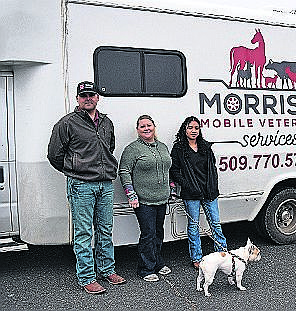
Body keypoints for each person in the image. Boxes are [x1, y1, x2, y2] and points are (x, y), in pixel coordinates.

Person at [47, 81, 126, 294]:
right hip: (81, 185)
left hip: (105, 184)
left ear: (97, 98)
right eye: (84, 96)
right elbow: (54, 155)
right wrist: (75, 170)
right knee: (83, 233)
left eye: (91, 95)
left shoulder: (106, 122)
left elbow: (109, 147)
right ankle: (87, 277)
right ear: (77, 99)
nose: (88, 98)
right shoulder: (67, 124)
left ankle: (107, 270)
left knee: (105, 230)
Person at [118, 115, 172, 282]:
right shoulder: (132, 149)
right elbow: (124, 171)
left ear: (154, 127)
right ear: (138, 130)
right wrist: (131, 193)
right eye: (142, 126)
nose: (146, 128)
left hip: (162, 198)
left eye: (149, 125)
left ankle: (157, 263)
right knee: (148, 233)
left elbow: (166, 168)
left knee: (158, 232)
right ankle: (145, 269)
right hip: (143, 200)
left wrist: (172, 187)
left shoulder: (162, 146)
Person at [169, 116, 228, 268]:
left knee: (215, 223)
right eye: (190, 128)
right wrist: (186, 185)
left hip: (209, 192)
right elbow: (174, 170)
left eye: (196, 128)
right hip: (191, 194)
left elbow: (212, 168)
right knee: (194, 225)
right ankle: (197, 258)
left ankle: (222, 254)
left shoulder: (206, 147)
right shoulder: (179, 148)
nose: (193, 131)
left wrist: (213, 185)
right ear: (185, 129)